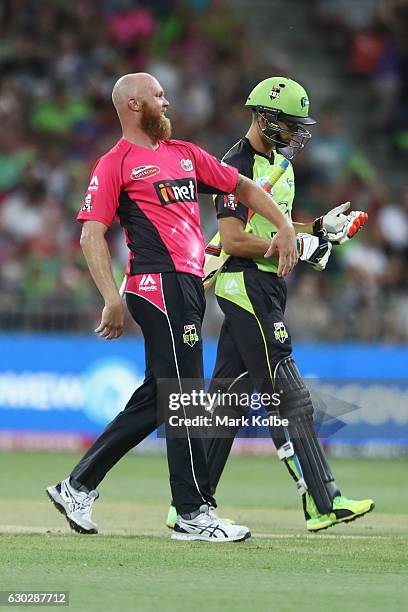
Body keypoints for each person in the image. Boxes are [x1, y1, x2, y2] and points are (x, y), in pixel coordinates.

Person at [46, 72, 299, 542]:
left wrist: (283, 224)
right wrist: (110, 297)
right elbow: (90, 234)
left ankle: (76, 485)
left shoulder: (184, 154)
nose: (168, 102)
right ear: (135, 104)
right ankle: (192, 512)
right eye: (160, 97)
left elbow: (242, 187)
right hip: (155, 286)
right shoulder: (115, 163)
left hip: (186, 286)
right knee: (184, 397)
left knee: (160, 396)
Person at [166, 76, 374, 533]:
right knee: (291, 392)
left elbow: (274, 228)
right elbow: (237, 239)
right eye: (289, 123)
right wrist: (293, 248)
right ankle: (323, 500)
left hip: (266, 287)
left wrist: (315, 230)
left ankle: (189, 502)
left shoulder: (283, 165)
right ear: (263, 116)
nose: (298, 133)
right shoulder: (235, 164)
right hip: (246, 288)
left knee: (228, 399)